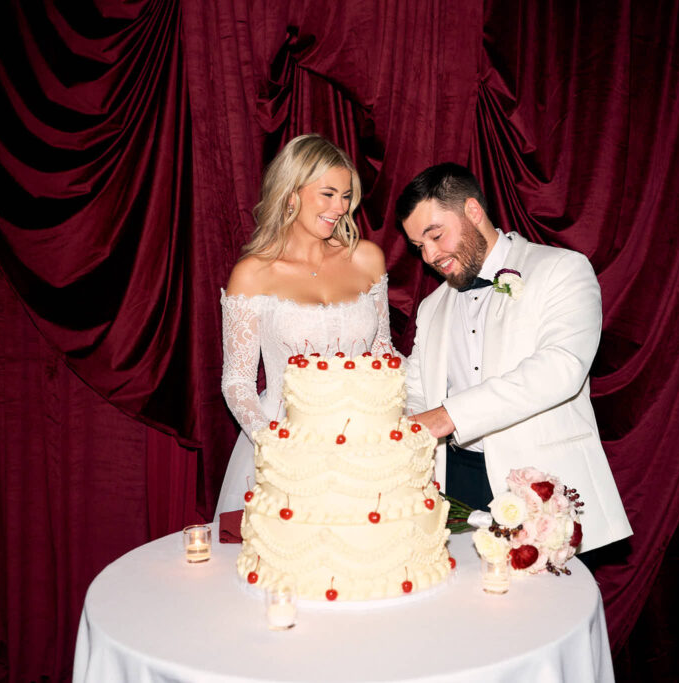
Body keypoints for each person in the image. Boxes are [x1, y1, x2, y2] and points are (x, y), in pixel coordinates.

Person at [396, 163, 632, 553]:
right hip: (455, 484)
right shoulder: (430, 307)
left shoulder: (562, 269)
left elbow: (561, 368)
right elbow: (417, 393)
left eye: (435, 236)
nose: (430, 256)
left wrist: (448, 415)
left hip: (543, 485)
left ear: (473, 211)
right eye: (419, 247)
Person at [216, 134, 392, 520]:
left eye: (346, 196)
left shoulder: (367, 259)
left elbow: (383, 354)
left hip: (364, 441)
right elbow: (237, 382)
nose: (339, 208)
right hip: (284, 439)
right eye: (327, 194)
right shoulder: (253, 274)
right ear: (291, 193)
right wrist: (276, 448)